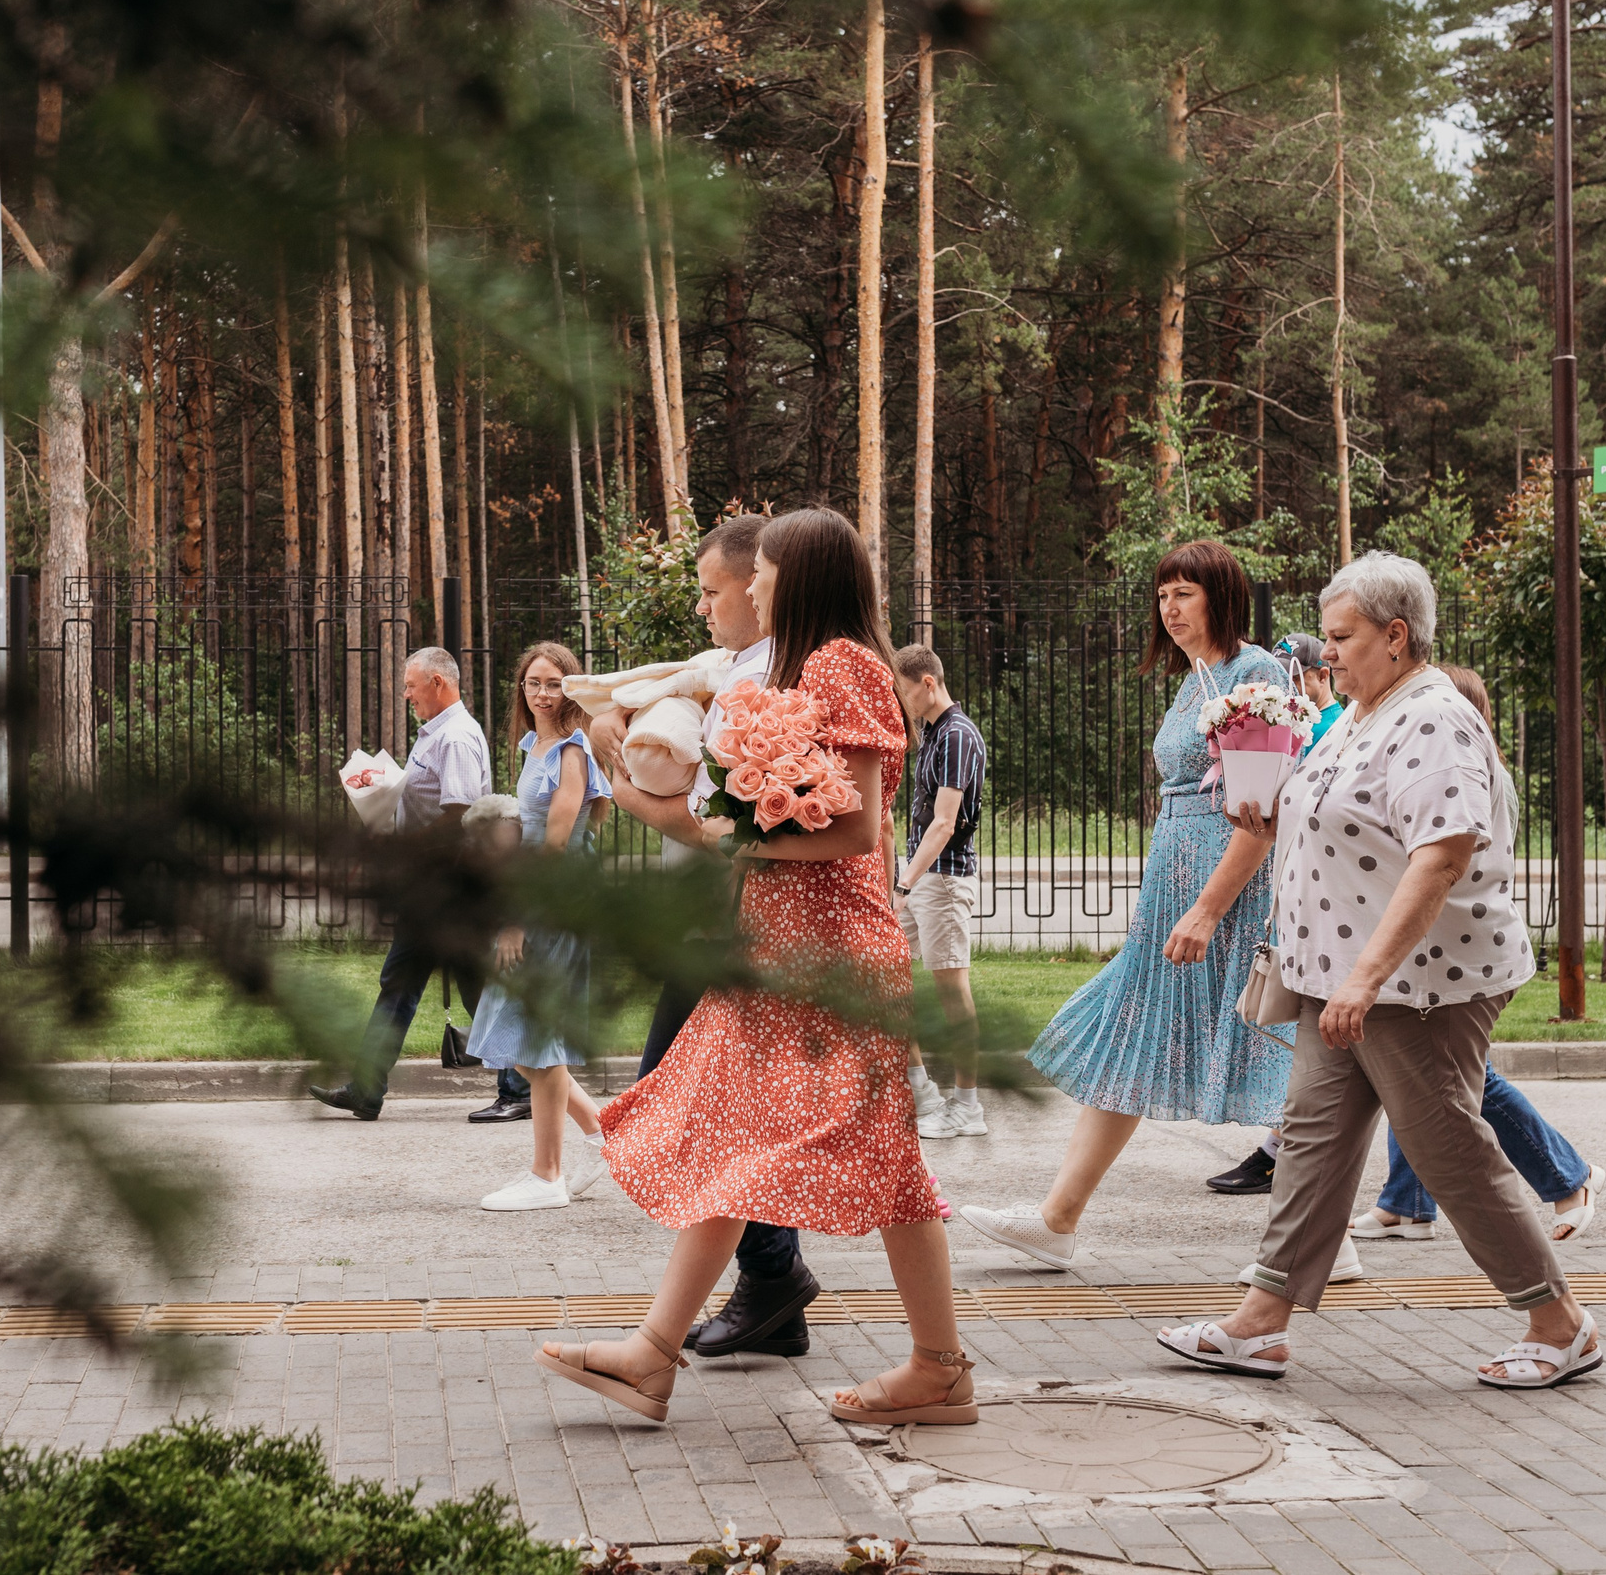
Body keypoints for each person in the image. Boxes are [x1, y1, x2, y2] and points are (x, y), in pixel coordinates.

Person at [542, 508, 972, 1428]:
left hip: (829, 957)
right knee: (740, 1141)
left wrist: (741, 831)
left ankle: (938, 1368)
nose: (756, 583)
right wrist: (729, 817)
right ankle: (654, 1356)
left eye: (766, 570)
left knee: (883, 1161)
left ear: (801, 576)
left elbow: (854, 827)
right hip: (783, 952)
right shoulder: (812, 666)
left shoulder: (841, 665)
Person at [1158, 552, 1606, 1391]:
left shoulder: (1431, 717)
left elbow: (1439, 857)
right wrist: (1269, 805)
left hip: (1413, 985)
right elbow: (1342, 820)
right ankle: (1261, 1321)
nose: (1327, 654)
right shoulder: (1370, 710)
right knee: (1313, 1146)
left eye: (1342, 637)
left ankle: (1559, 1322)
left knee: (1448, 1152)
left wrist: (1366, 977)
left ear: (1396, 637)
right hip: (1340, 979)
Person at [960, 541, 1352, 1278]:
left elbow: (1258, 814)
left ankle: (1327, 1241)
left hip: (1219, 897)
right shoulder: (1191, 682)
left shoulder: (1254, 672)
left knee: (1263, 1052)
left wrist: (1207, 909)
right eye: (1163, 594)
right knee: (1142, 1044)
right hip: (1172, 891)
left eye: (1185, 594)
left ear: (1221, 596)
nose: (1170, 609)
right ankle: (1057, 1220)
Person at [587, 513, 819, 1359]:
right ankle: (771, 1284)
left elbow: (749, 833)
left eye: (717, 589)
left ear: (765, 589)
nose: (709, 606)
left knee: (682, 1097)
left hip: (745, 919)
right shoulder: (731, 674)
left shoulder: (779, 684)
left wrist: (641, 797)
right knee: (708, 1104)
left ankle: (771, 1279)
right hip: (716, 914)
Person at [1353, 663, 1606, 1244]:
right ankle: (1406, 1202)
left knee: (1458, 1081)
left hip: (1453, 956)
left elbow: (1444, 866)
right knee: (1413, 1073)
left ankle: (1570, 1177)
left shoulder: (1462, 775)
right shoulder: (1465, 771)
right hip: (1430, 952)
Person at [310, 647, 532, 1124]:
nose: (405, 693)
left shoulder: (455, 738)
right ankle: (369, 1088)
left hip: (451, 890)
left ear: (438, 682)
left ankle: (523, 1087)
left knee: (471, 987)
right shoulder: (436, 735)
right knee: (409, 983)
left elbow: (460, 818)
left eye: (411, 685)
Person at [467, 645, 616, 1211]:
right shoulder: (536, 745)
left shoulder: (574, 752)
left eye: (554, 683)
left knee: (537, 1038)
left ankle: (547, 1175)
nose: (542, 693)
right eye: (533, 683)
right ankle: (605, 1132)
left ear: (572, 689)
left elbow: (554, 845)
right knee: (524, 1048)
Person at [1204, 633, 1348, 1194]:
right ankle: (1401, 1201)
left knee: (1442, 1081)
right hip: (1312, 900)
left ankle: (1563, 1175)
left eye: (1297, 672)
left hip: (1338, 907)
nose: (1290, 684)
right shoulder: (1294, 729)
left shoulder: (1333, 727)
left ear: (1317, 677)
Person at [894, 645, 990, 1141]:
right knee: (887, 978)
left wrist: (904, 883)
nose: (901, 697)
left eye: (905, 688)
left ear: (927, 682)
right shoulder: (932, 734)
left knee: (953, 994)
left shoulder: (957, 735)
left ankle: (967, 1107)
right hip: (919, 876)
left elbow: (945, 824)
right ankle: (922, 1093)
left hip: (943, 880)